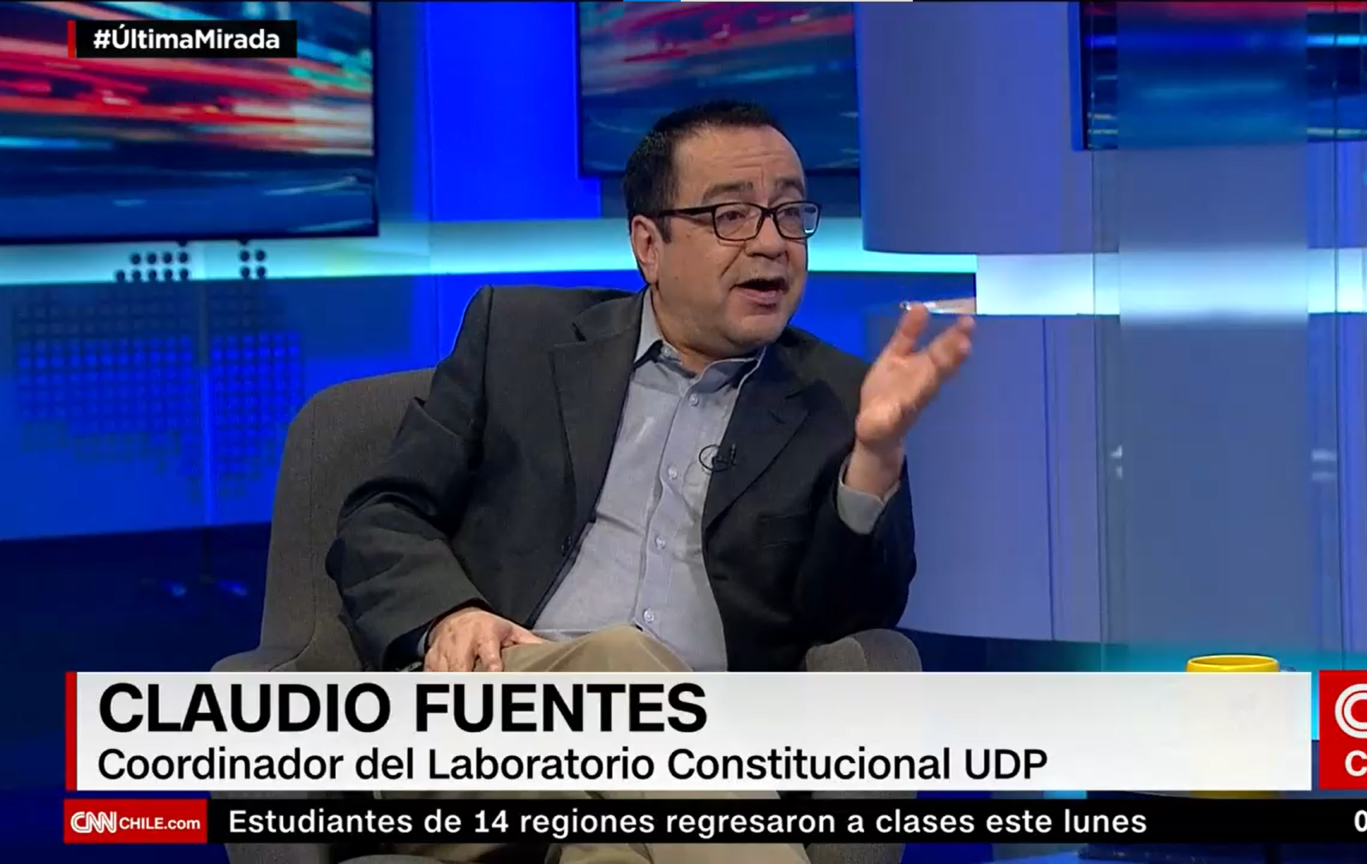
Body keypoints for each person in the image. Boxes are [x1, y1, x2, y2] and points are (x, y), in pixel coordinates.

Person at [325, 100, 974, 864]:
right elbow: (383, 513)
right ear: (648, 245)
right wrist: (448, 615)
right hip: (484, 726)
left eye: (790, 213)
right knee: (623, 664)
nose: (772, 243)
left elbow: (851, 617)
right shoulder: (518, 338)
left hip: (682, 782)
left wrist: (876, 458)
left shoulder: (836, 397)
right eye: (732, 216)